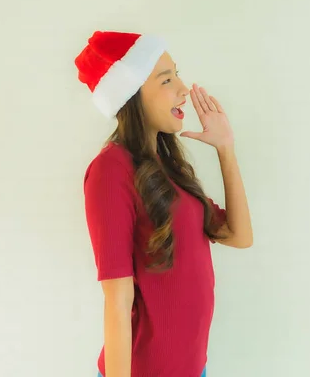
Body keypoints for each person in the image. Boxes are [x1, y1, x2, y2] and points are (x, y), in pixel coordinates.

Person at [74, 31, 253, 377]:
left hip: (192, 369)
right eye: (167, 79)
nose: (183, 89)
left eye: (177, 75)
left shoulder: (169, 167)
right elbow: (117, 299)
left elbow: (239, 235)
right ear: (131, 95)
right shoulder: (110, 170)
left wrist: (226, 149)